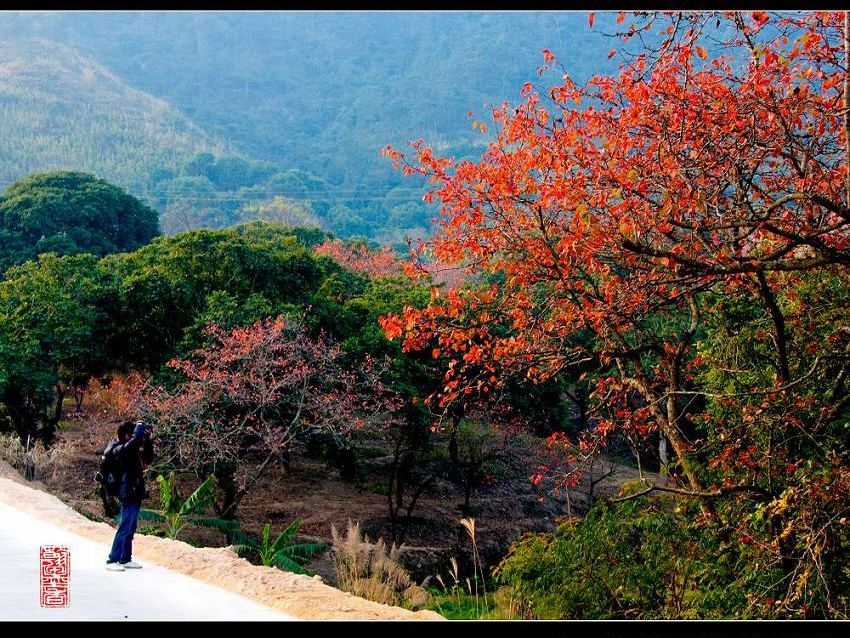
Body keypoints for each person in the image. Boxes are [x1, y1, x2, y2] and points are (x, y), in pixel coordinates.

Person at [105, 420, 154, 571]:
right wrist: (138, 433)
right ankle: (113, 559)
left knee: (131, 527)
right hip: (127, 492)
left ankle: (125, 558)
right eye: (132, 434)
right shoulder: (117, 449)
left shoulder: (133, 450)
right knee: (125, 526)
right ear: (127, 435)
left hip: (136, 491)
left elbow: (149, 458)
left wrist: (148, 440)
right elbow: (129, 446)